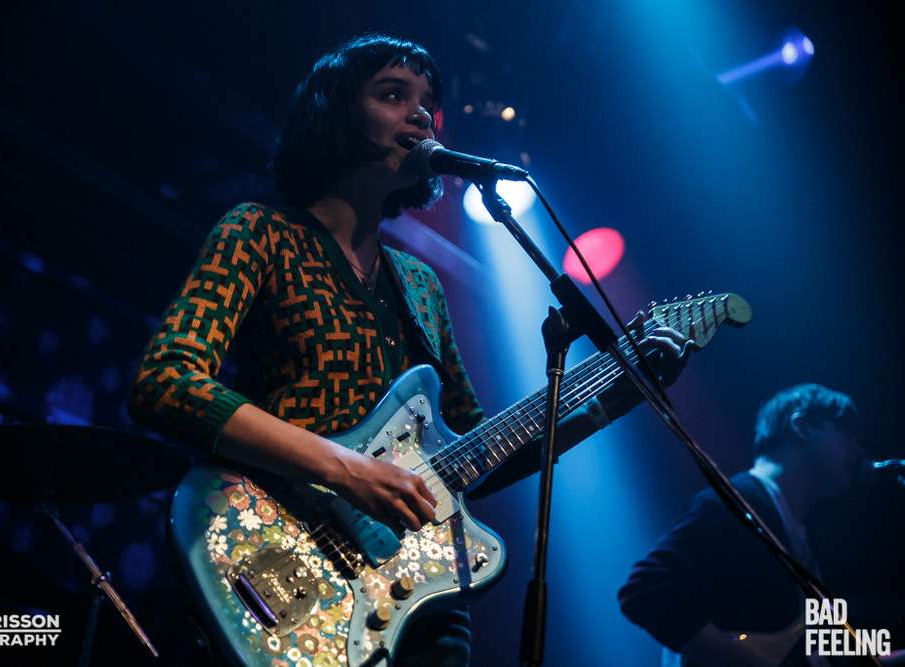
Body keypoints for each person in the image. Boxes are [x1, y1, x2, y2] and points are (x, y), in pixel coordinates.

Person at [129, 33, 691, 667]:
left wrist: (613, 399)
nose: (421, 115)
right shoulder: (260, 233)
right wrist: (347, 469)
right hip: (283, 558)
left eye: (428, 103)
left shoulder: (420, 284)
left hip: (423, 592)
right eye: (393, 95)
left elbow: (479, 448)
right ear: (335, 113)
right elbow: (166, 382)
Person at [618, 383, 864, 667]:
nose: (858, 450)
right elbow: (645, 590)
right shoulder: (731, 504)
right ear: (803, 426)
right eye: (847, 434)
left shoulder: (802, 529)